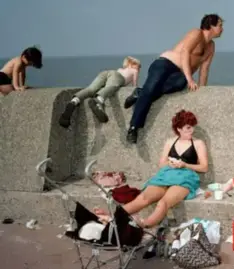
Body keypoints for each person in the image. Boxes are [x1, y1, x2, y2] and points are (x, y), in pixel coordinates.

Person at [94, 110, 208, 228]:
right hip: (166, 175)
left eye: (192, 127)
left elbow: (204, 167)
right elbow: (161, 164)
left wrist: (185, 164)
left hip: (186, 178)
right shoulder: (170, 142)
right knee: (143, 198)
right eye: (188, 128)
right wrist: (171, 163)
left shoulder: (198, 143)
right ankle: (111, 217)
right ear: (179, 128)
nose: (192, 130)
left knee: (163, 203)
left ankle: (143, 225)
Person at [124, 14, 223, 144]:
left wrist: (202, 90)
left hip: (179, 74)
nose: (222, 28)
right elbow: (185, 52)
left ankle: (139, 93)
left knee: (180, 83)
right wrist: (189, 78)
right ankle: (133, 127)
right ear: (211, 25)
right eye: (220, 25)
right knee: (151, 88)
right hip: (165, 64)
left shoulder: (211, 46)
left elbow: (204, 69)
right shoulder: (196, 33)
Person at [59, 56, 141, 128]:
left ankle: (74, 101)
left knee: (91, 89)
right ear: (131, 64)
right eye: (138, 66)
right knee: (112, 87)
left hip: (105, 72)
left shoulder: (120, 69)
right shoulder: (134, 71)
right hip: (117, 77)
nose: (139, 69)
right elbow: (134, 86)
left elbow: (111, 78)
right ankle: (98, 101)